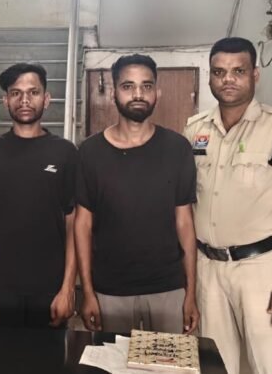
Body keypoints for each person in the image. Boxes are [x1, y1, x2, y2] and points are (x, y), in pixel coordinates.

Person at [184, 37, 272, 373]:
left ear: (255, 75)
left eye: (238, 71)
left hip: (261, 270)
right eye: (219, 72)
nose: (228, 79)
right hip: (208, 268)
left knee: (269, 366)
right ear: (210, 76)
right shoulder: (195, 129)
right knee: (215, 365)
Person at [75, 54, 199, 335]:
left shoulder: (177, 148)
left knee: (168, 359)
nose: (138, 94)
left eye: (146, 86)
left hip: (168, 288)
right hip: (110, 290)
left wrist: (190, 292)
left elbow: (185, 223)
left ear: (158, 92)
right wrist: (88, 292)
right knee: (113, 359)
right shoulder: (90, 152)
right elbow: (83, 225)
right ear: (114, 93)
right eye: (128, 86)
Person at [0, 62, 78, 329]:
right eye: (16, 93)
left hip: (51, 289)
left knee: (51, 353)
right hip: (1, 289)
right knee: (3, 354)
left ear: (46, 99)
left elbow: (74, 222)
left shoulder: (66, 153)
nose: (24, 100)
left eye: (33, 92)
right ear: (6, 100)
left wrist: (68, 288)